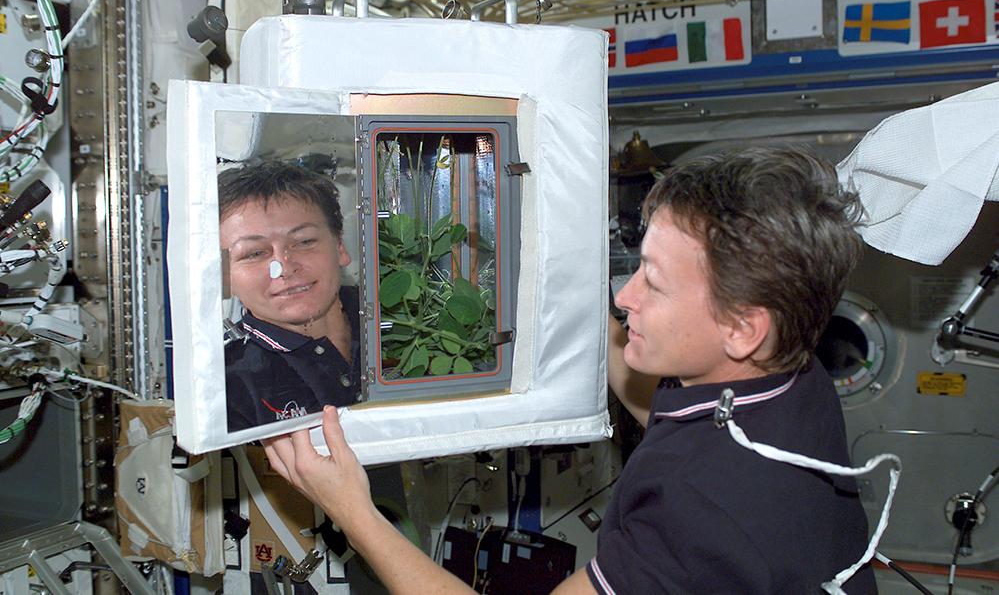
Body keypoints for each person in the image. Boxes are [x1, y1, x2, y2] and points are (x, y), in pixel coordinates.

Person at [263, 147, 877, 593]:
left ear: (745, 327)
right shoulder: (792, 379)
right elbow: (671, 419)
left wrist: (352, 511)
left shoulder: (698, 512)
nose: (626, 296)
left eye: (654, 284)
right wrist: (555, 263)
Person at [219, 160, 360, 433]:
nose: (284, 268)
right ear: (226, 278)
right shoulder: (228, 386)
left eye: (304, 242)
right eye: (254, 253)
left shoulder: (399, 322)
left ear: (340, 246)